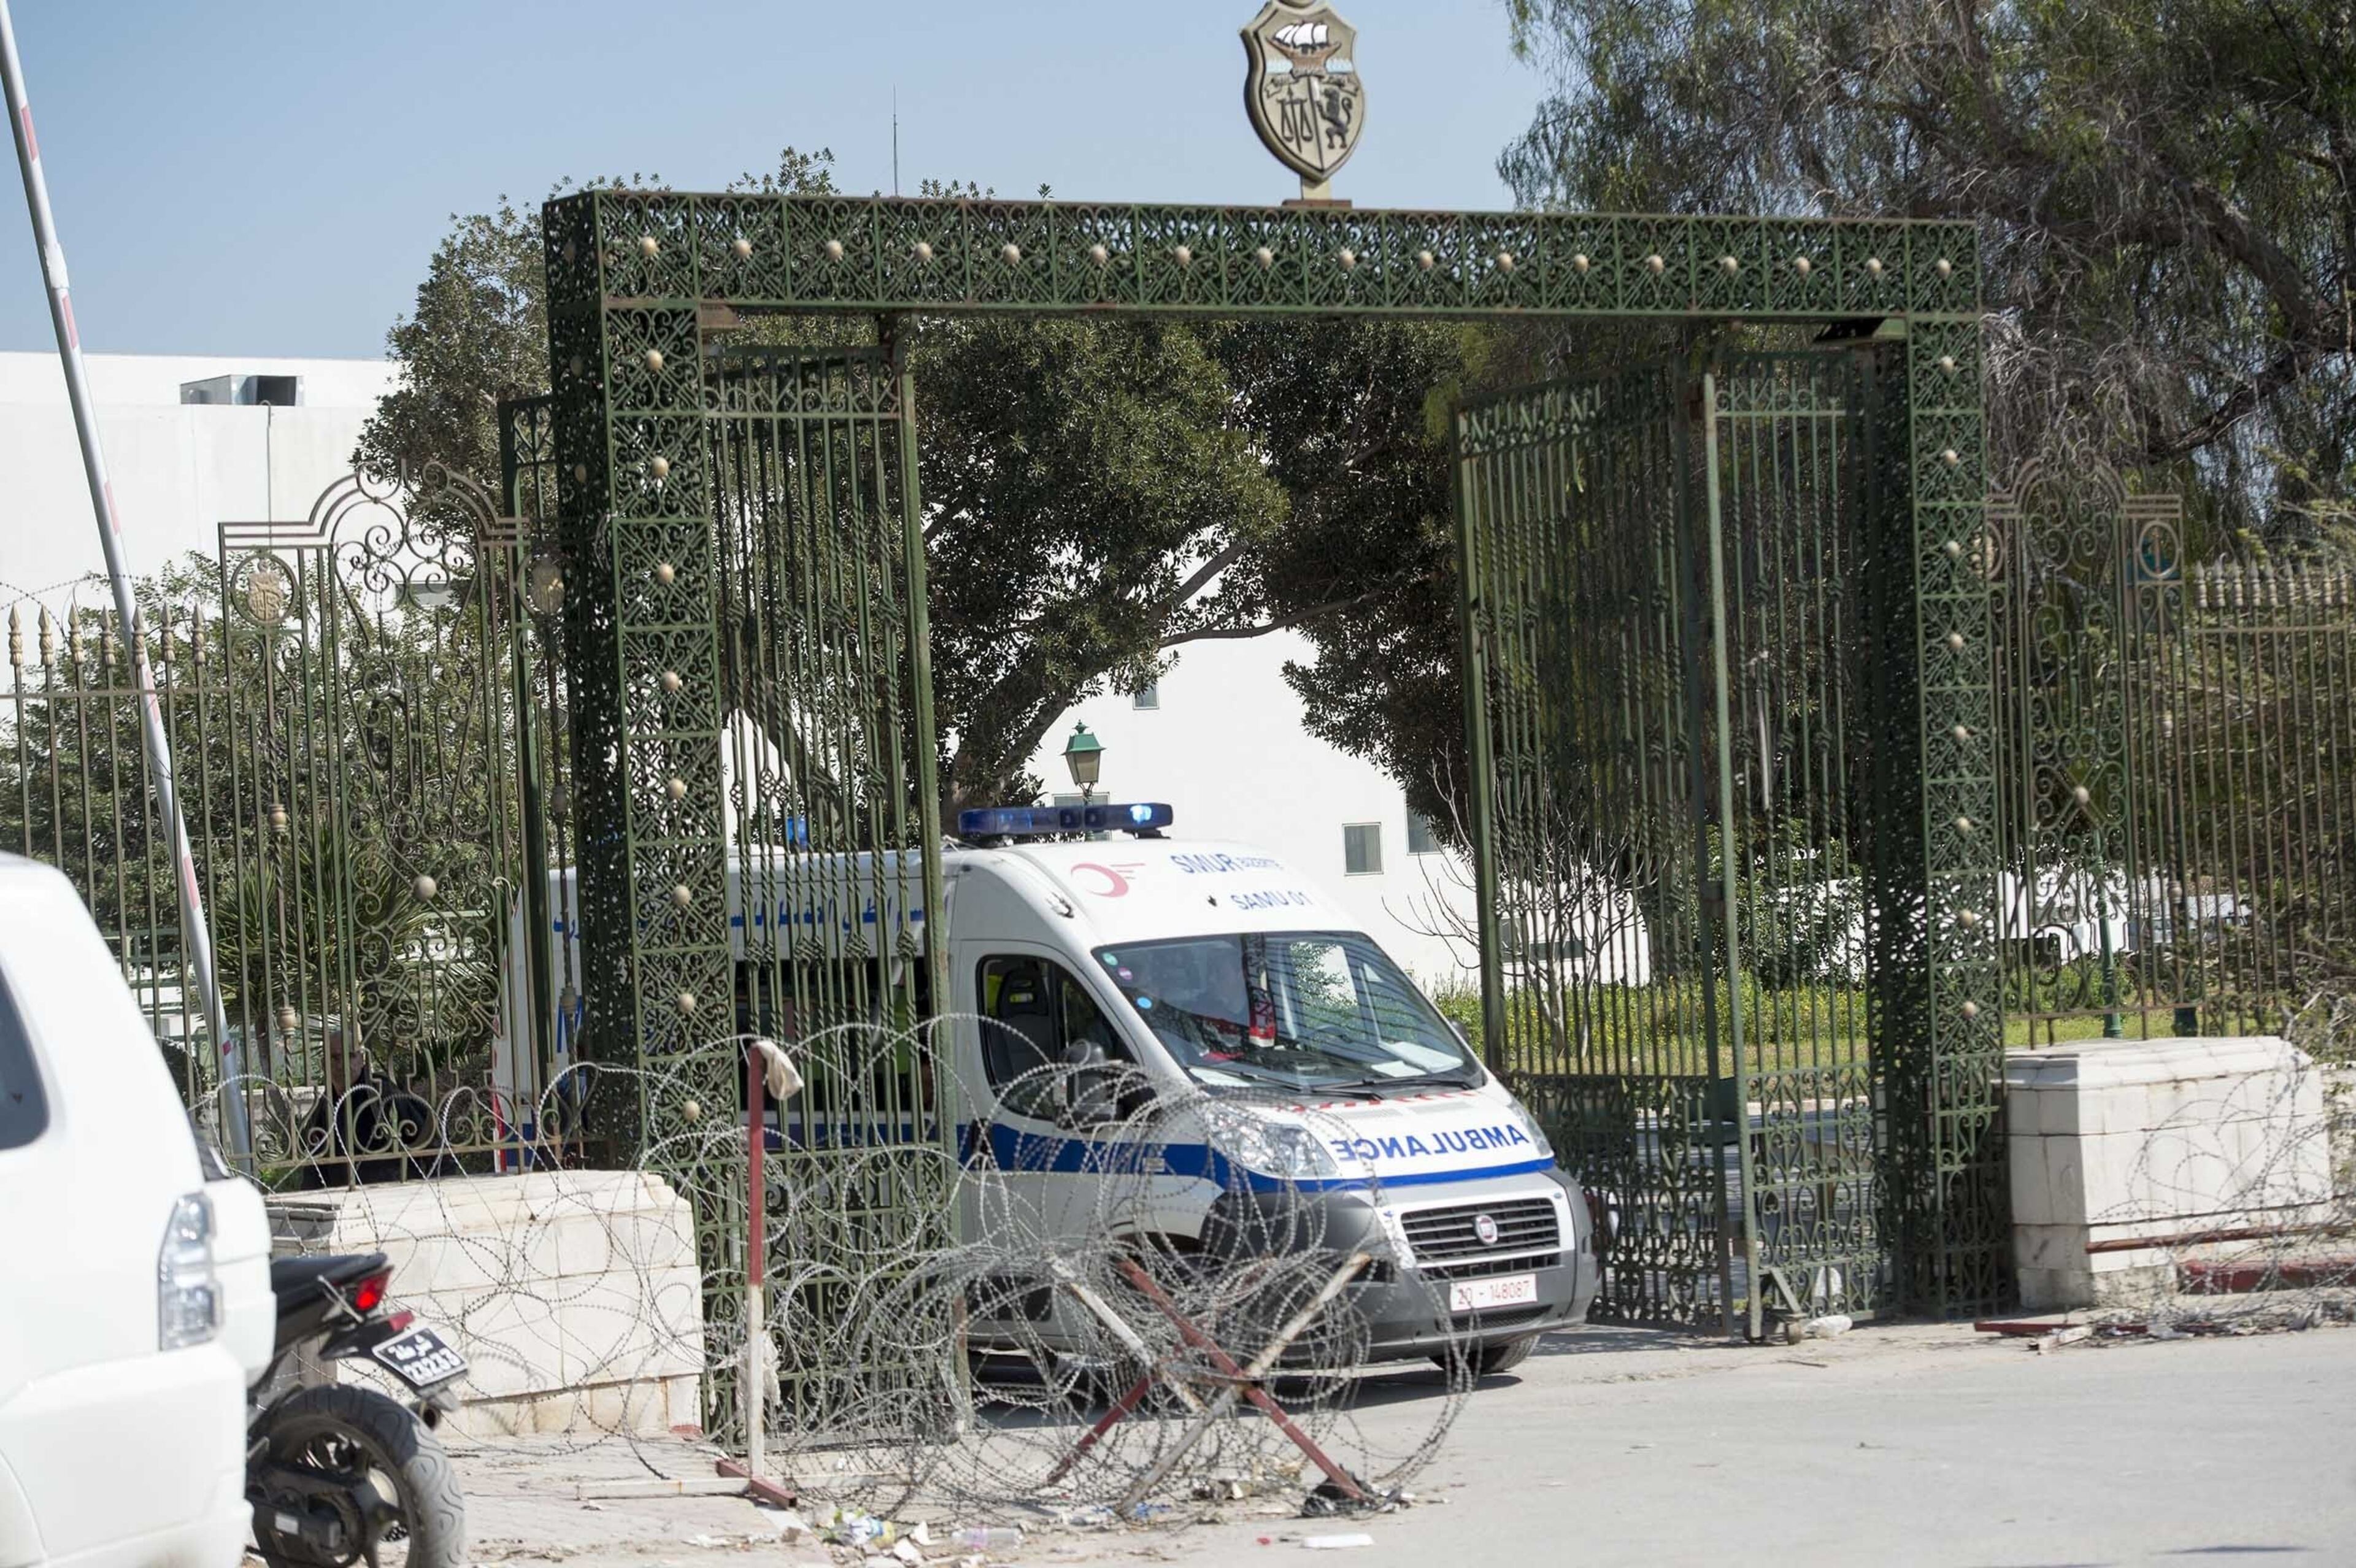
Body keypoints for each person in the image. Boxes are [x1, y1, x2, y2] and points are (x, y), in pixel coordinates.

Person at [296, 1028, 450, 1188]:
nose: (342, 1065)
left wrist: (438, 1188)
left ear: (362, 1059)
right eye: (335, 1058)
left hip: (389, 1196)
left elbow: (430, 1136)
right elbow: (315, 1162)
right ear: (324, 1064)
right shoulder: (326, 1104)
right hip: (345, 1198)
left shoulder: (381, 1093)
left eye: (350, 1056)